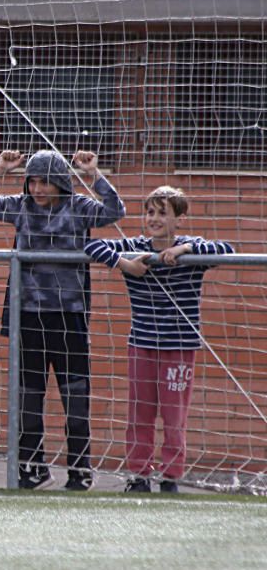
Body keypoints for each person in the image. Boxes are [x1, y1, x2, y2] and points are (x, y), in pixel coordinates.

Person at [0, 149, 125, 491]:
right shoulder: (22, 207)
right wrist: (1, 169)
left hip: (69, 317)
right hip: (28, 316)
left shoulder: (78, 208)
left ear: (59, 182)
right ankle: (32, 467)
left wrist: (93, 174)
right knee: (28, 397)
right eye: (33, 181)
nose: (38, 188)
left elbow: (116, 210)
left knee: (75, 397)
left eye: (45, 181)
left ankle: (79, 469)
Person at [85, 186, 234, 494]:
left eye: (162, 213)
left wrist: (183, 252)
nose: (154, 219)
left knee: (173, 417)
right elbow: (92, 246)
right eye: (150, 212)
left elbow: (228, 249)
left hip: (179, 349)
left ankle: (170, 477)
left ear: (179, 219)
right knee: (139, 413)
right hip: (141, 345)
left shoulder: (192, 248)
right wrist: (126, 265)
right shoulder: (134, 246)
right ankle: (140, 476)